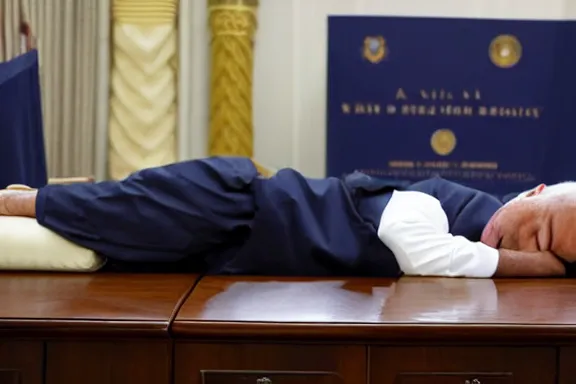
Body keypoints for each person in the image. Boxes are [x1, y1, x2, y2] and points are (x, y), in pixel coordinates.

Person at [0, 156, 567, 277]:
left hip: (232, 251)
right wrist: (535, 267)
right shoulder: (444, 204)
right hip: (232, 204)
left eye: (548, 247)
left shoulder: (477, 242)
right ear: (531, 190)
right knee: (119, 211)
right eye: (537, 224)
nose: (528, 240)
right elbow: (418, 250)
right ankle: (17, 200)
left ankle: (34, 199)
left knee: (121, 246)